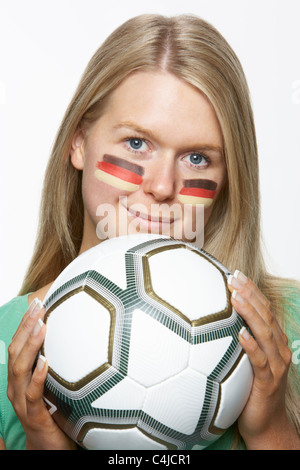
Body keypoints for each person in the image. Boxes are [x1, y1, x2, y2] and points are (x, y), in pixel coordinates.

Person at [0, 13, 299, 451]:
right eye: (137, 143)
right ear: (79, 141)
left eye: (197, 158)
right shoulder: (7, 343)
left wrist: (270, 430)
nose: (161, 187)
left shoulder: (286, 329)